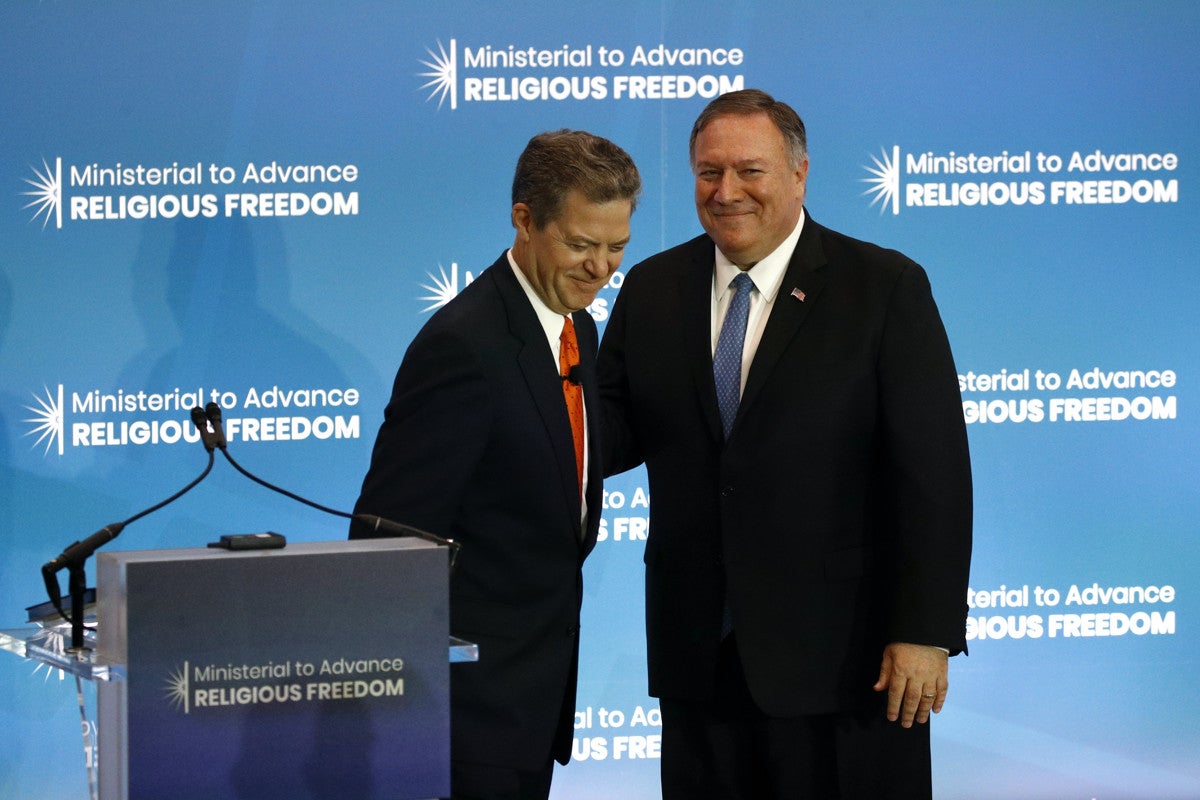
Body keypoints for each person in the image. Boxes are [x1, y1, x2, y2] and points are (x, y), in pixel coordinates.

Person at [598, 89, 972, 799]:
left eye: (750, 171)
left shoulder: (883, 287)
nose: (727, 191)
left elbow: (934, 474)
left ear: (799, 175)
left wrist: (925, 631)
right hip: (699, 657)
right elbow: (609, 435)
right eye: (709, 173)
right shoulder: (651, 289)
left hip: (847, 664)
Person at [351, 129, 641, 800]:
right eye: (580, 244)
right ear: (524, 220)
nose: (601, 268)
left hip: (529, 707)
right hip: (461, 719)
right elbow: (389, 540)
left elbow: (566, 453)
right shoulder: (465, 347)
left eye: (617, 247)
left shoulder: (577, 328)